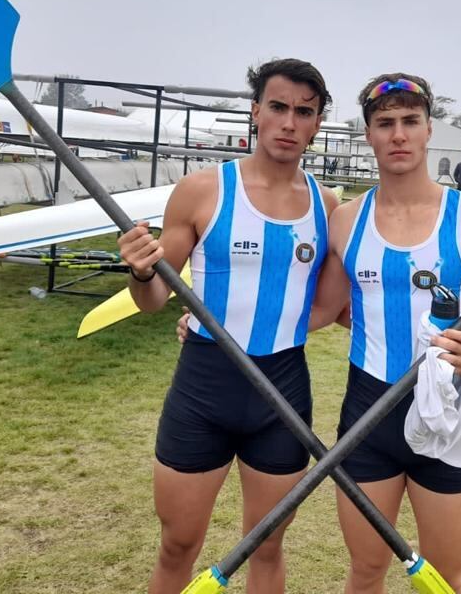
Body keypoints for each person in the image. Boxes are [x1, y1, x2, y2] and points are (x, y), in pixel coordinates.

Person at [117, 58, 339, 594]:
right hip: (203, 388)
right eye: (279, 107)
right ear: (256, 112)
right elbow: (152, 299)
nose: (289, 122)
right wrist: (138, 270)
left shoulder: (328, 206)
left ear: (315, 124)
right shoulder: (201, 191)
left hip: (282, 392)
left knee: (265, 549)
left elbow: (333, 305)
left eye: (304, 112)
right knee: (177, 545)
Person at [311, 73, 461, 594]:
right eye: (385, 123)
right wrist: (206, 323)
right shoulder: (345, 221)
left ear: (430, 129)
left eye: (411, 121)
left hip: (447, 417)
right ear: (369, 134)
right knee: (366, 570)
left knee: (445, 577)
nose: (399, 134)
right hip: (367, 417)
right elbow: (321, 308)